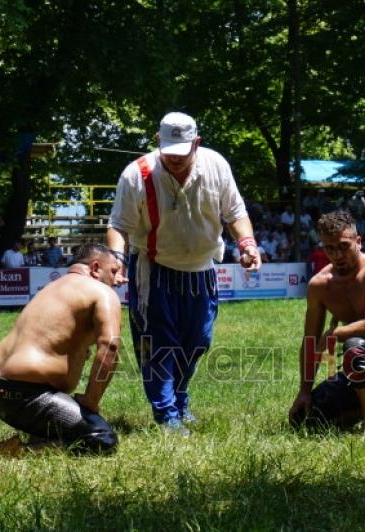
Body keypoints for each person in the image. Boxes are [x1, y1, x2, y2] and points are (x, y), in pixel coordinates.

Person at [107, 111, 261, 434]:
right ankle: (167, 414)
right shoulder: (136, 175)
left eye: (182, 152)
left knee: (198, 341)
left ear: (197, 143)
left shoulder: (216, 165)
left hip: (201, 269)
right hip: (154, 269)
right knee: (159, 343)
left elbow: (236, 212)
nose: (174, 159)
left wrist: (247, 244)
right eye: (168, 152)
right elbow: (119, 225)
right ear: (157, 141)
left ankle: (179, 398)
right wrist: (115, 258)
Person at [0, 244, 122, 454]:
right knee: (102, 439)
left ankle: (41, 436)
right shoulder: (102, 292)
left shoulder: (52, 288)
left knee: (72, 428)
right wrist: (91, 401)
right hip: (26, 396)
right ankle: (18, 452)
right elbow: (110, 346)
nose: (118, 279)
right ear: (95, 268)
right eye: (114, 271)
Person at [288, 211, 365, 437]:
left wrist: (334, 334)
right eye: (330, 248)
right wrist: (304, 392)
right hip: (357, 368)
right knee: (310, 418)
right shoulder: (319, 285)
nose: (337, 255)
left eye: (344, 246)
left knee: (356, 345)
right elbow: (310, 342)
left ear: (358, 241)